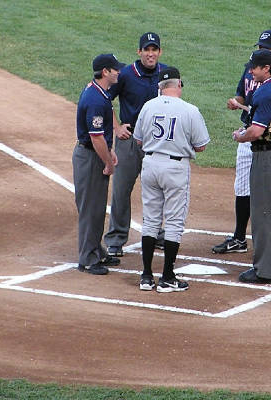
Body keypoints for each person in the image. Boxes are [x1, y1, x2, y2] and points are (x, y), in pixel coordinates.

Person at [212, 29, 271, 255]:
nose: (261, 52)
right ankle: (239, 238)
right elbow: (243, 95)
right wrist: (236, 102)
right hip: (249, 133)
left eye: (266, 48)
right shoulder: (251, 68)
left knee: (270, 192)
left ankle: (269, 242)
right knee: (242, 186)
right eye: (260, 47)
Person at [133, 67, 210, 292]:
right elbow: (201, 145)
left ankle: (146, 276)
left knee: (150, 220)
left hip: (150, 164)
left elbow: (138, 140)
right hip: (175, 168)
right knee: (174, 221)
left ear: (160, 87)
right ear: (179, 85)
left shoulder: (148, 106)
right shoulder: (190, 110)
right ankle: (167, 276)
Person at [104, 32, 168, 258]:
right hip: (129, 140)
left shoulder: (167, 74)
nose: (150, 54)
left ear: (159, 52)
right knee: (121, 190)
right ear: (139, 51)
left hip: (157, 142)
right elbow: (105, 99)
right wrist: (117, 127)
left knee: (157, 190)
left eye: (154, 49)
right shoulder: (126, 75)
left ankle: (156, 232)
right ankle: (116, 238)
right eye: (146, 49)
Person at [232, 49, 271, 283]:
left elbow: (256, 131)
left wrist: (240, 136)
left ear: (266, 68)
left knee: (263, 214)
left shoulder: (266, 92)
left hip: (267, 158)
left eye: (254, 68)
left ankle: (264, 271)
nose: (250, 71)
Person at [72, 53, 125, 275]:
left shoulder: (98, 92)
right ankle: (87, 258)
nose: (118, 72)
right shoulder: (95, 99)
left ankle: (96, 250)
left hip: (94, 154)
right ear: (105, 72)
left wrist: (109, 151)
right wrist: (108, 162)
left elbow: (102, 133)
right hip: (90, 157)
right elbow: (96, 137)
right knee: (91, 209)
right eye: (115, 69)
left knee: (97, 207)